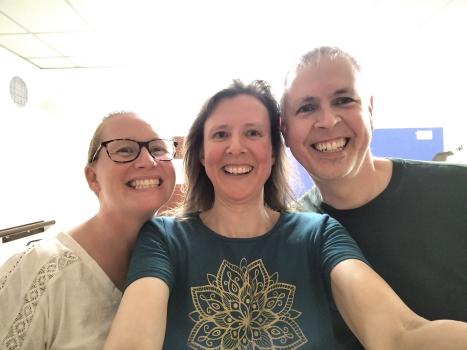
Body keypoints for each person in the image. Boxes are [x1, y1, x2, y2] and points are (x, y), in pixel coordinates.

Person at [104, 80, 467, 350]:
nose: (236, 146)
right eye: (220, 134)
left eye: (253, 132)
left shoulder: (319, 234)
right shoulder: (163, 238)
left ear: (274, 152)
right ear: (201, 154)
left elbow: (399, 334)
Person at [280, 46, 467, 348]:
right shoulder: (292, 236)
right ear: (285, 131)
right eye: (306, 108)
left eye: (343, 100)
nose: (327, 121)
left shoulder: (458, 191)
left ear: (369, 109)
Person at [0, 111, 177, 350]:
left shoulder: (182, 259)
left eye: (157, 149)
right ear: (92, 177)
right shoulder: (38, 270)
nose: (148, 160)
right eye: (124, 150)